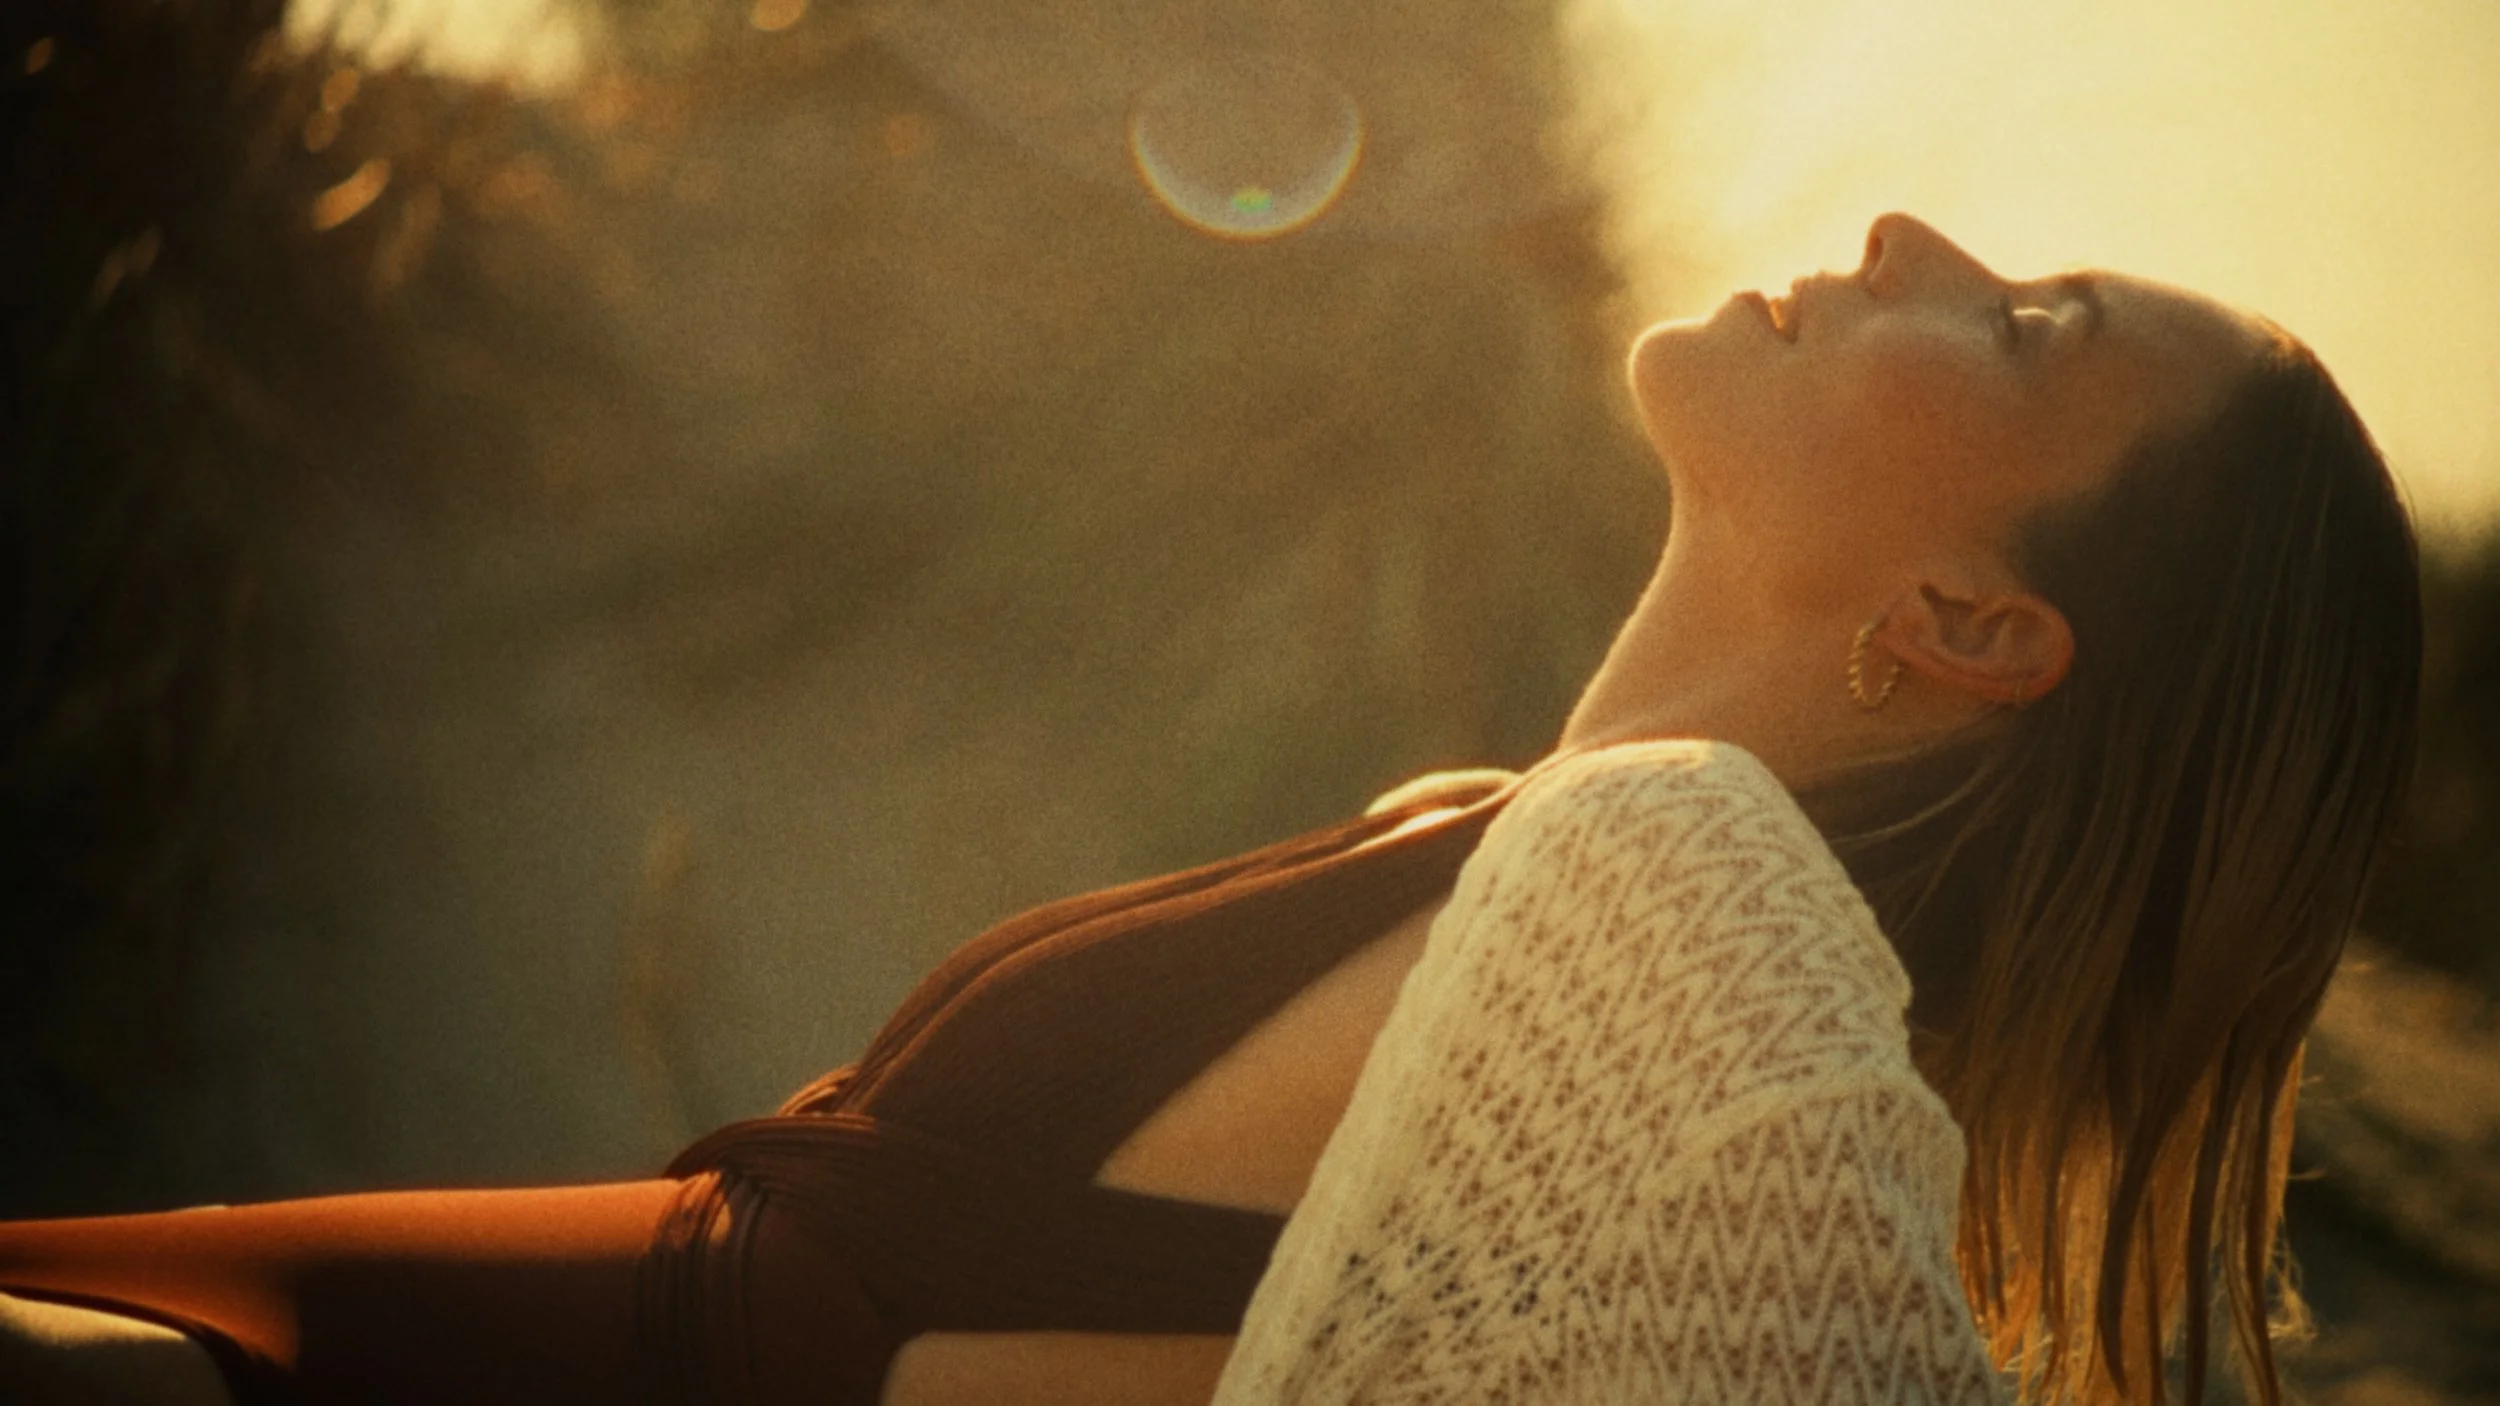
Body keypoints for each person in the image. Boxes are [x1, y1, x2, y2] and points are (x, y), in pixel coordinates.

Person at [0, 212, 2421, 1406]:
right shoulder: (1506, 836)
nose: (1910, 239)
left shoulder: (1697, 935)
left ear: (1980, 627)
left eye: (2023, 330)